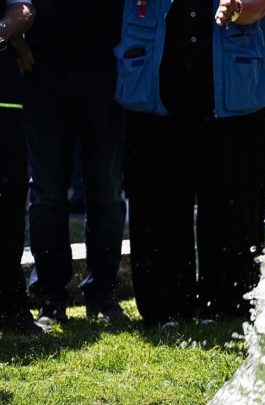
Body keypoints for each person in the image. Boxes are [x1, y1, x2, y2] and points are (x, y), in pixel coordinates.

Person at [118, 0, 265, 329]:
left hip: (230, 85)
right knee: (157, 196)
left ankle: (226, 302)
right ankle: (166, 306)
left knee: (231, 197)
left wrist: (236, 8)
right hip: (156, 85)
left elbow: (261, 5)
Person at [22, 0, 128, 326]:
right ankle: (51, 297)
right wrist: (17, 41)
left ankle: (102, 294)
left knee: (106, 189)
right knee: (48, 191)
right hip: (42, 68)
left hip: (104, 67)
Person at [0, 0, 41, 335]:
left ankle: (11, 306)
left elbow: (22, 11)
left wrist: (6, 34)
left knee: (9, 210)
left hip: (5, 101)